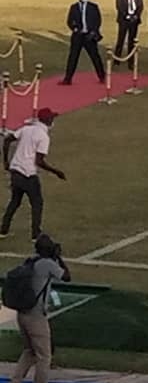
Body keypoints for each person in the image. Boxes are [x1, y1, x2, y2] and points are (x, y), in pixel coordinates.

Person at [8, 234, 70, 383]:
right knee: (44, 356)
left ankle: (15, 380)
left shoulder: (30, 261)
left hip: (22, 314)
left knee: (29, 351)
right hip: (36, 317)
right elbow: (66, 276)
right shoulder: (48, 264)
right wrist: (59, 258)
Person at [1, 109, 66, 240]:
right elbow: (39, 161)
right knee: (37, 203)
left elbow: (8, 140)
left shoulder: (27, 129)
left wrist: (6, 162)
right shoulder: (43, 136)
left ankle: (3, 229)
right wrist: (56, 172)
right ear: (48, 121)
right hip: (28, 174)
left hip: (16, 170)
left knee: (15, 201)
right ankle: (35, 234)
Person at [61, 0, 106, 85]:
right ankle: (68, 79)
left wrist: (94, 32)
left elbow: (98, 21)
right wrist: (74, 28)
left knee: (95, 57)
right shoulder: (74, 7)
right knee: (73, 57)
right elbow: (69, 21)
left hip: (89, 36)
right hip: (78, 36)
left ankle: (102, 76)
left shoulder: (93, 7)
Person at [114, 0, 143, 70]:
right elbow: (119, 5)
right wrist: (126, 15)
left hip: (134, 19)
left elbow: (140, 5)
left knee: (132, 41)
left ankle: (131, 62)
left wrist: (136, 15)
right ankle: (116, 60)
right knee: (121, 39)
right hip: (124, 19)